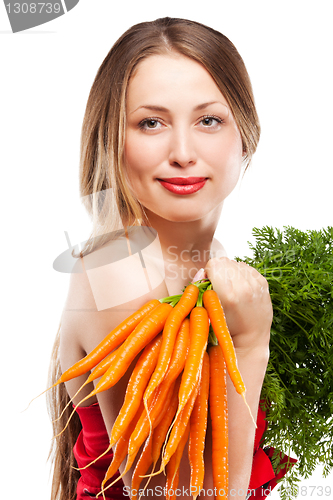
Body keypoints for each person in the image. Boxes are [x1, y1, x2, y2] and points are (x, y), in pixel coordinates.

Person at [47, 17, 293, 500]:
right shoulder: (118, 270)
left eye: (208, 120)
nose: (183, 152)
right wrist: (248, 345)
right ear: (112, 139)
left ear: (245, 134)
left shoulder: (211, 263)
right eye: (151, 123)